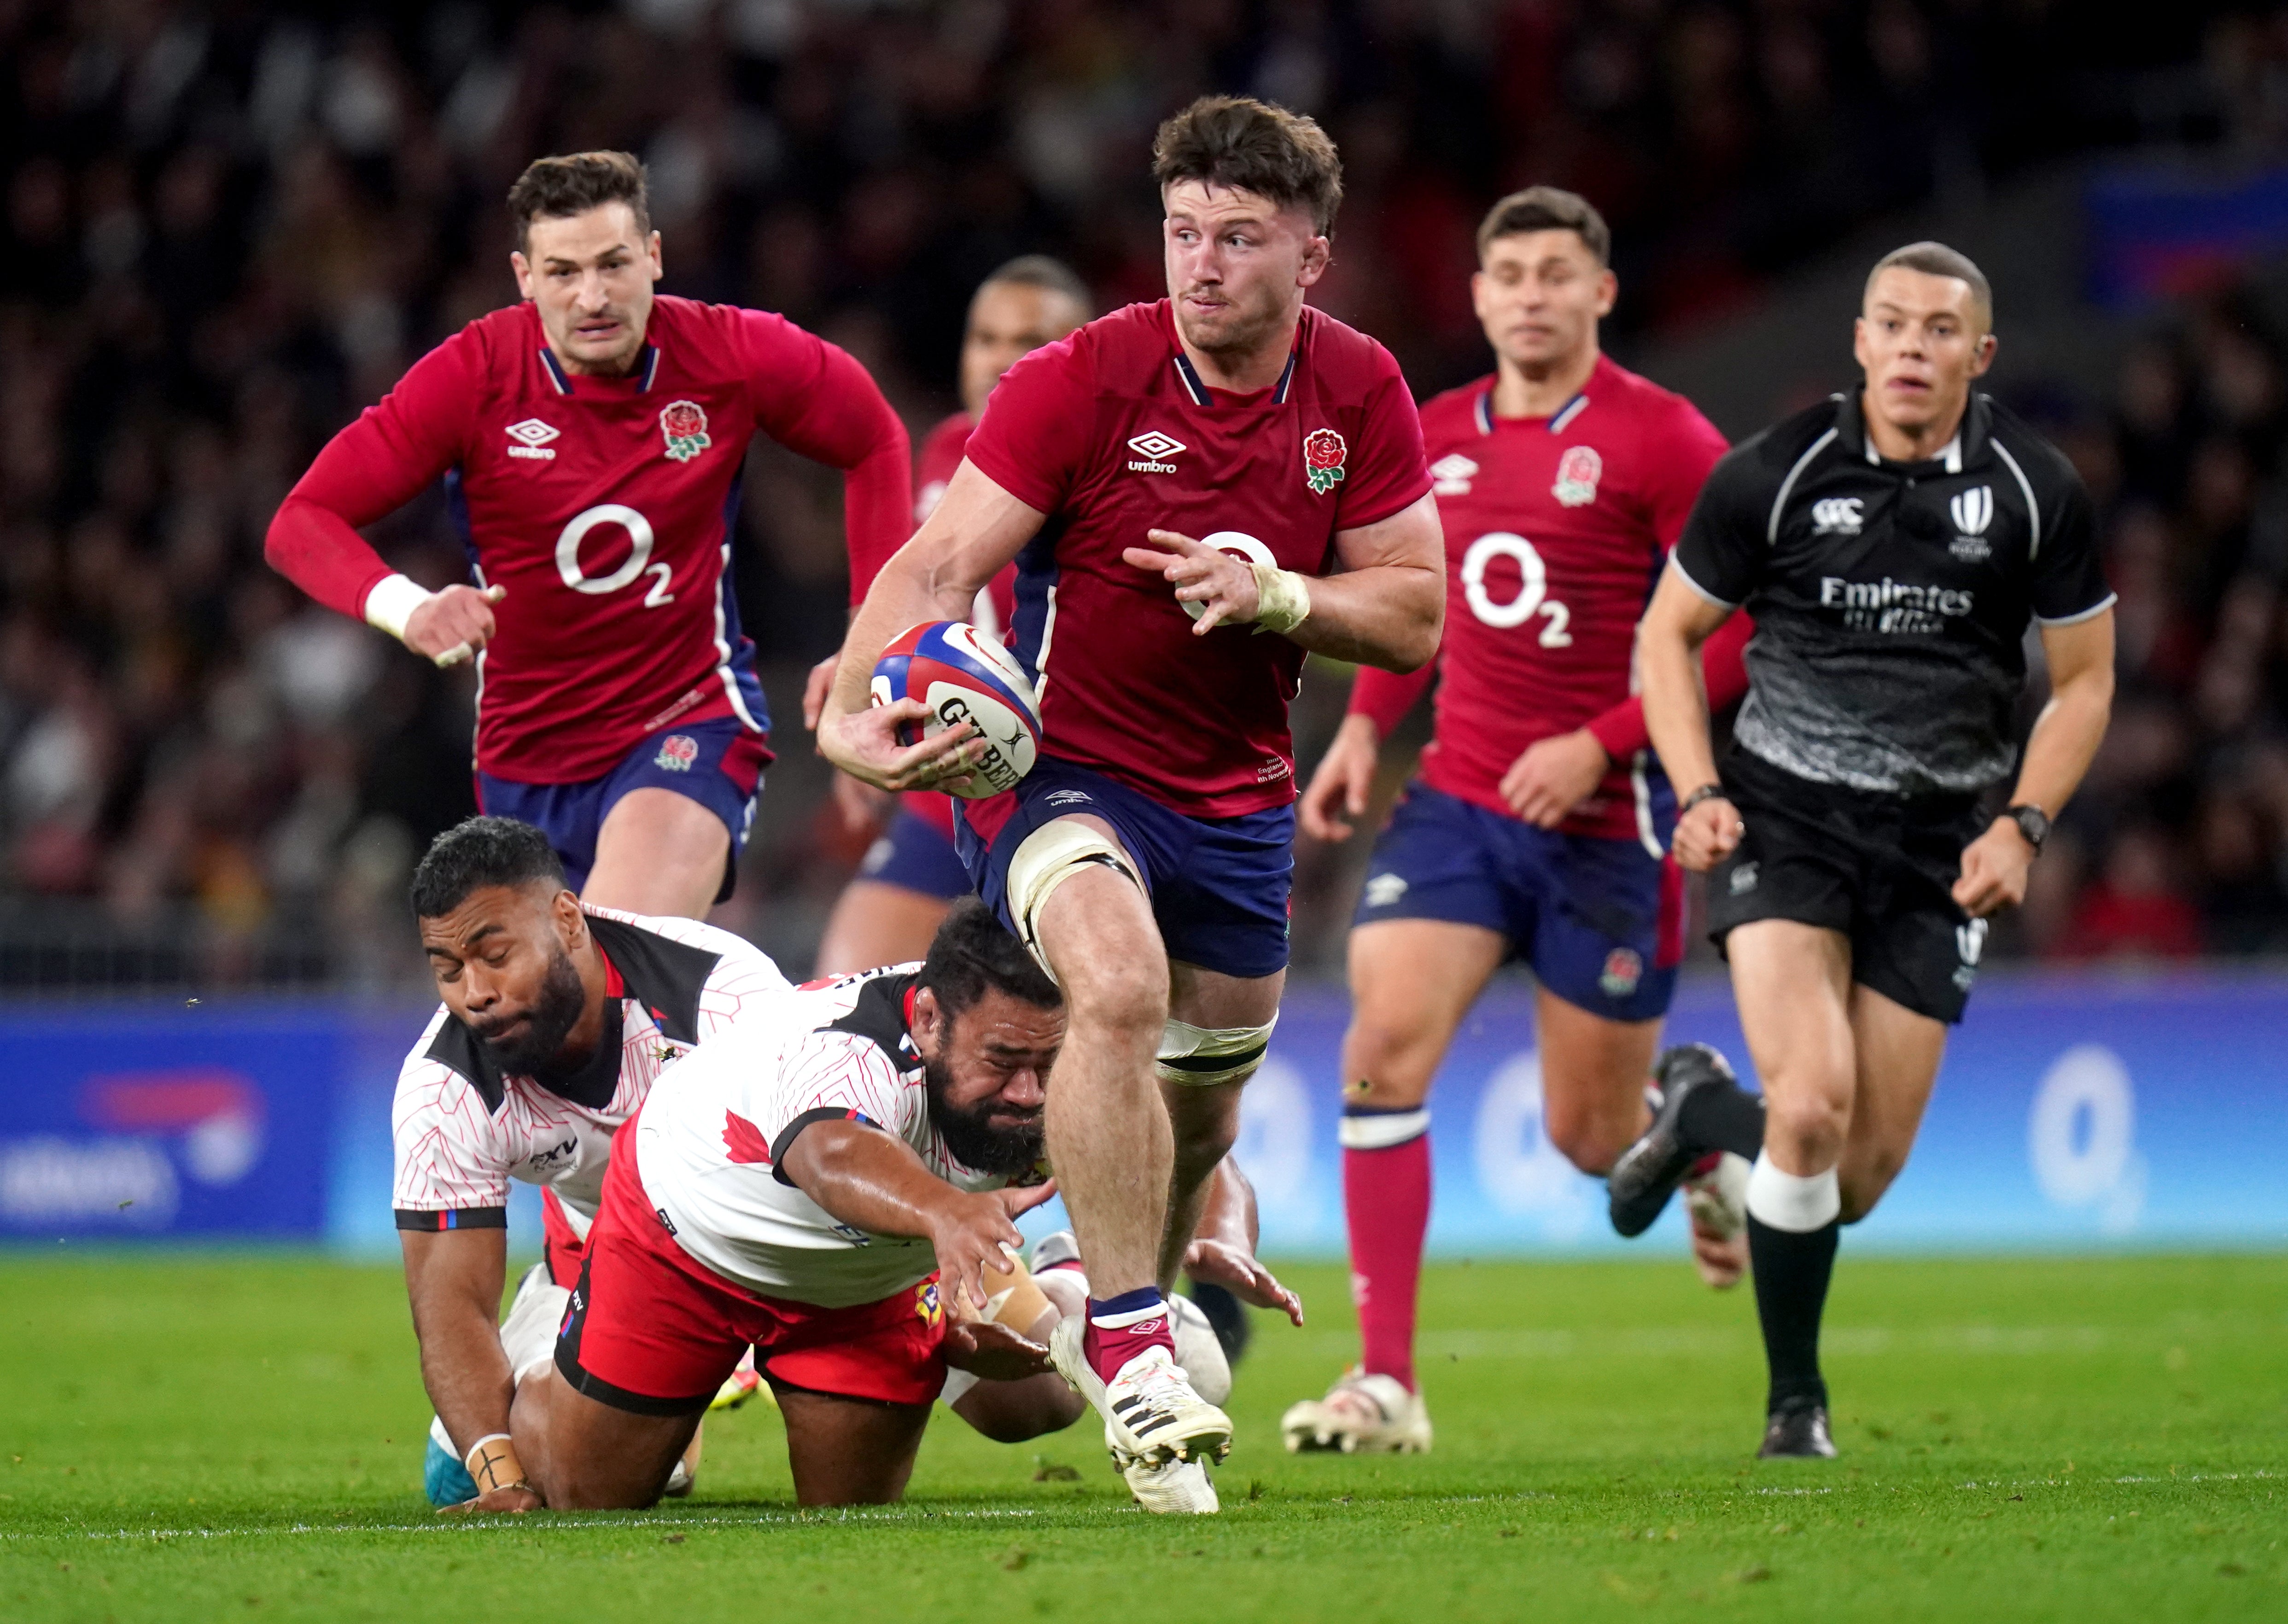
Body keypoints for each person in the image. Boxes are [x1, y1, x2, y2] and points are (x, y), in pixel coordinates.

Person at [814, 95, 1442, 1483]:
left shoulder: (1361, 390)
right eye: (1179, 233)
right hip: (1059, 773)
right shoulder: (1080, 379)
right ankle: (1140, 1344)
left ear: (1311, 256)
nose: (1201, 264)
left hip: (1237, 796)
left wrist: (1279, 593)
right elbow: (932, 568)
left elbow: (1413, 616)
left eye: (1237, 237)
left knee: (1204, 1108)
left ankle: (1127, 1318)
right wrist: (853, 722)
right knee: (1113, 979)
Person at [1610, 242, 2116, 1458]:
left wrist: (2023, 824)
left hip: (1942, 845)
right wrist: (1696, 786)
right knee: (1817, 1102)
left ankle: (1696, 1105)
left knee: (1857, 1177)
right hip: (1788, 818)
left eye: (1940, 331)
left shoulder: (2036, 489)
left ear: (1979, 356)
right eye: (1891, 324)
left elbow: (2088, 682)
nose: (1910, 348)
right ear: (1858, 340)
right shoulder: (1775, 476)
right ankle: (1797, 1403)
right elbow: (1667, 638)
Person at [1278, 187, 1753, 1457]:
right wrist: (1370, 731)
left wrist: (1597, 741)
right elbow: (1407, 602)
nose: (1532, 293)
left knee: (1592, 1135)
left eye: (1558, 272)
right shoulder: (1431, 436)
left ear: (1601, 293)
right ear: (1480, 296)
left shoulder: (1666, 439)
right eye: (1510, 273)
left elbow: (1737, 633)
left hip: (1611, 825)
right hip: (1460, 804)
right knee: (1380, 1043)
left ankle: (1696, 1150)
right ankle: (1387, 1382)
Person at [265, 151, 911, 920]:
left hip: (688, 723)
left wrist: (870, 647)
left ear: (655, 257)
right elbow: (301, 523)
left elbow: (874, 439)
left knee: (611, 956)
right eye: (564, 272)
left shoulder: (730, 354)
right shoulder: (474, 377)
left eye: (614, 264)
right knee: (556, 1026)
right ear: (525, 277)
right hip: (523, 760)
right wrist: (410, 608)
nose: (593, 296)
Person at [449, 902, 1234, 1516]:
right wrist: (947, 1215)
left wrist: (1226, 1230)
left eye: (1046, 1064)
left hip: (867, 1285)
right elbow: (829, 1156)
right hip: (680, 1243)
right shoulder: (849, 1047)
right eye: (1002, 1062)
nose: (1029, 1092)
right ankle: (545, 1334)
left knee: (863, 1502)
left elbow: (1186, 1136)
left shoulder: (1060, 1056)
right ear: (928, 1019)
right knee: (593, 1496)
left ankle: (1078, 1283)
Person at [392, 816, 790, 1506]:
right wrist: (503, 1480)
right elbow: (451, 1305)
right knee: (458, 1476)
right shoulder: (445, 1088)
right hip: (600, 1269)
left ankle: (1048, 1267)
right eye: (449, 971)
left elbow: (825, 1148)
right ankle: (662, 1395)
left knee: (1020, 1404)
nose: (476, 994)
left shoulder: (724, 996)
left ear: (568, 920)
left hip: (781, 1252)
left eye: (495, 954)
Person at [811, 257, 1093, 975]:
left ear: (1078, 349)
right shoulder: (945, 450)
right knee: (845, 989)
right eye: (985, 338)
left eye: (1027, 340)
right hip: (960, 783)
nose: (1000, 360)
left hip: (1083, 788)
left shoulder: (1107, 469)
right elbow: (918, 600)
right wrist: (861, 684)